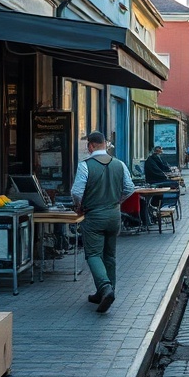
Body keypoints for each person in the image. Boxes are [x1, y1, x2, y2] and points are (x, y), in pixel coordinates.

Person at [71, 131, 136, 313]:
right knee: (110, 255)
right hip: (114, 215)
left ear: (91, 146)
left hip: (94, 216)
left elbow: (76, 192)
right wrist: (117, 201)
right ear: (105, 145)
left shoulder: (85, 166)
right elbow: (130, 188)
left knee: (93, 254)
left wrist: (79, 206)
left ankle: (105, 287)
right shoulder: (119, 164)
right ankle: (106, 292)